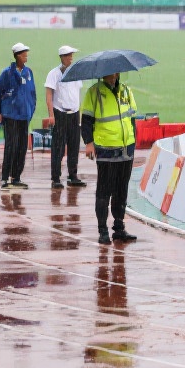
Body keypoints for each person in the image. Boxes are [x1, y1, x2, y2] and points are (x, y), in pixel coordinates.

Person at [81, 72, 139, 244]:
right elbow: (86, 121)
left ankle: (119, 228)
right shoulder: (94, 93)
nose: (113, 76)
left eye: (116, 73)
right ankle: (102, 230)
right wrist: (89, 143)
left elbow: (132, 118)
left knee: (121, 191)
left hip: (126, 149)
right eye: (110, 73)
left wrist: (133, 140)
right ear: (103, 74)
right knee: (104, 192)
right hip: (106, 150)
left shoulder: (126, 91)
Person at [0, 42, 37, 190]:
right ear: (18, 55)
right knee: (10, 147)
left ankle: (16, 177)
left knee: (22, 147)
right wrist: (0, 111)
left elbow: (32, 94)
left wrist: (30, 110)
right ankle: (5, 178)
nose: (27, 55)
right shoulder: (7, 73)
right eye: (24, 53)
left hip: (24, 116)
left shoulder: (29, 72)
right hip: (10, 116)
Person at [45, 45, 86, 189]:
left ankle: (72, 176)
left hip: (74, 114)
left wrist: (79, 114)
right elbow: (49, 95)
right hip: (60, 113)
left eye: (72, 55)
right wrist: (51, 115)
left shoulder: (76, 73)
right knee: (58, 147)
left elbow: (77, 94)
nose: (71, 57)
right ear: (62, 57)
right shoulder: (54, 74)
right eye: (68, 55)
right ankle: (55, 178)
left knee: (74, 146)